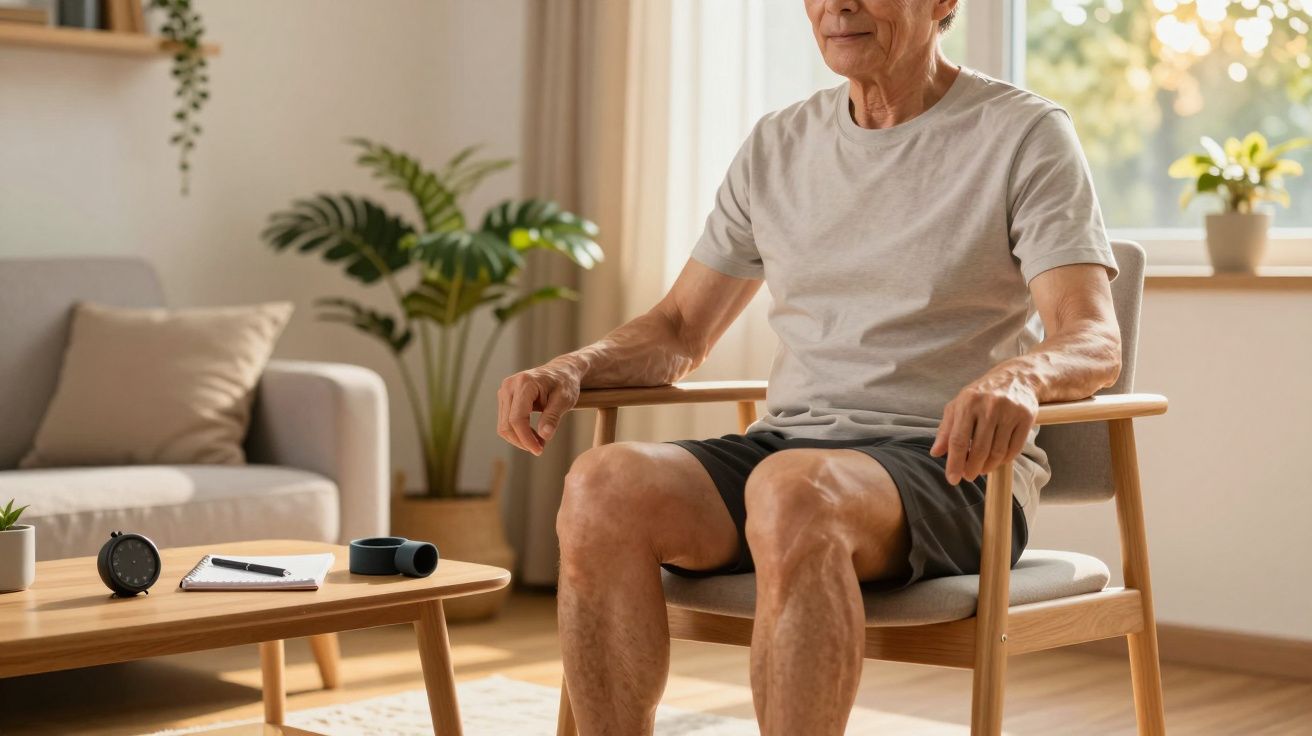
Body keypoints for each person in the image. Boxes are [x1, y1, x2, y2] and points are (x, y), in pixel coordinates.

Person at [496, 0, 1122, 733]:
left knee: (794, 490)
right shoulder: (778, 144)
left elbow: (1092, 335)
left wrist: (1021, 377)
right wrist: (576, 365)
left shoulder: (1022, 133)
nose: (838, 5)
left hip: (952, 467)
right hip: (786, 453)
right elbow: (678, 328)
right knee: (602, 485)